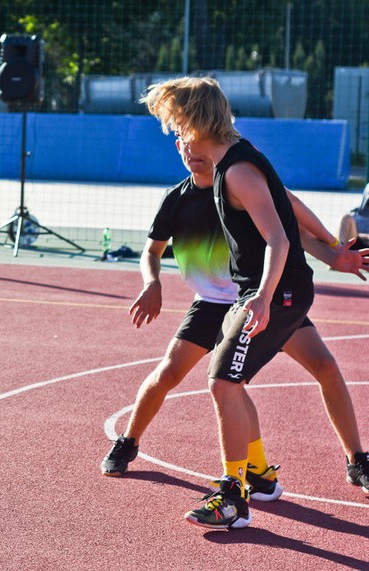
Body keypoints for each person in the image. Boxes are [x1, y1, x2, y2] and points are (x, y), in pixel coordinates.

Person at [101, 137, 369, 499]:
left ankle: (355, 460)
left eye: (199, 143)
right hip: (213, 303)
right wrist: (153, 284)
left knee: (323, 366)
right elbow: (152, 250)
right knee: (171, 373)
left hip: (258, 301)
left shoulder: (240, 181)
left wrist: (333, 253)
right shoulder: (176, 199)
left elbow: (293, 229)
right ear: (178, 144)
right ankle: (128, 442)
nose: (192, 152)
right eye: (185, 143)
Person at [143, 77, 317, 529]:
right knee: (227, 382)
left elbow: (278, 238)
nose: (175, 131)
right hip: (265, 291)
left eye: (179, 121)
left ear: (196, 119)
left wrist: (262, 297)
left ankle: (233, 497)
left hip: (279, 291)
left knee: (222, 381)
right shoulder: (226, 164)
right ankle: (249, 482)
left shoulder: (237, 170)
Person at [338, 183, 369, 250]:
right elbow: (350, 235)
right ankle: (339, 251)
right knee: (346, 217)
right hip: (356, 246)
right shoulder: (355, 215)